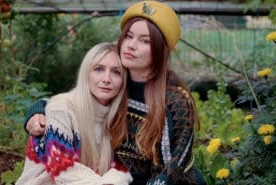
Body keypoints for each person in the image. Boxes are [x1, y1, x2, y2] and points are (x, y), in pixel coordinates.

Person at [24, 1, 206, 184]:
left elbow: (174, 167)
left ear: (161, 51)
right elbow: (75, 104)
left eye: (145, 41)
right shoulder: (116, 88)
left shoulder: (175, 102)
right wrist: (38, 108)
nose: (132, 45)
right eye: (128, 36)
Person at [16, 42, 133, 185]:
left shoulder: (120, 119)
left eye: (116, 72)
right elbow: (62, 169)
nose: (106, 79)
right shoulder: (61, 109)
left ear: (124, 80)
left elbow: (125, 168)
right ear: (86, 73)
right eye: (99, 69)